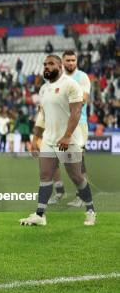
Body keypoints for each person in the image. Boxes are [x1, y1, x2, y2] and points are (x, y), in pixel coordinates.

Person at [21, 55, 95, 226]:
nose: (46, 67)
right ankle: (40, 215)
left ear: (60, 66)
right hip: (49, 139)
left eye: (51, 64)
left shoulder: (70, 85)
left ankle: (91, 210)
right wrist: (35, 139)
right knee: (45, 175)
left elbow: (76, 112)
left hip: (69, 140)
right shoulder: (44, 89)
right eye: (45, 64)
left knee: (76, 177)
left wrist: (67, 136)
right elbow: (42, 116)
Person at [47, 50, 92, 206]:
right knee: (51, 158)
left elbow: (83, 100)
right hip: (57, 124)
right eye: (68, 60)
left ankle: (82, 196)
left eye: (73, 60)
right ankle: (59, 192)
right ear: (62, 62)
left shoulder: (82, 77)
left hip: (78, 123)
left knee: (79, 160)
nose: (71, 63)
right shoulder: (56, 79)